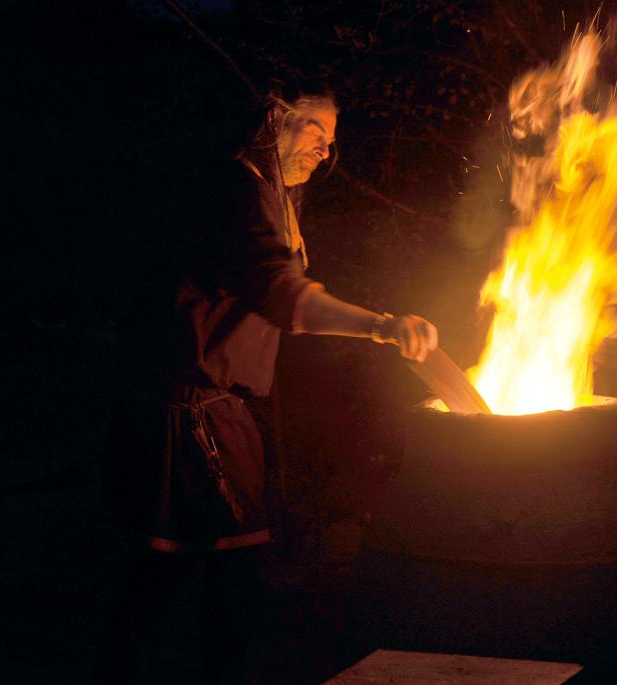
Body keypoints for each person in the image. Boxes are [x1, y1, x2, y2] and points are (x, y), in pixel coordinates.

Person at [95, 87, 438, 684]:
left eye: (332, 141)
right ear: (277, 115)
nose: (325, 151)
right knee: (222, 571)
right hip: (192, 413)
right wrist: (382, 327)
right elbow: (285, 296)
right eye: (316, 132)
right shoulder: (235, 189)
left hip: (213, 409)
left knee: (183, 571)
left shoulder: (272, 194)